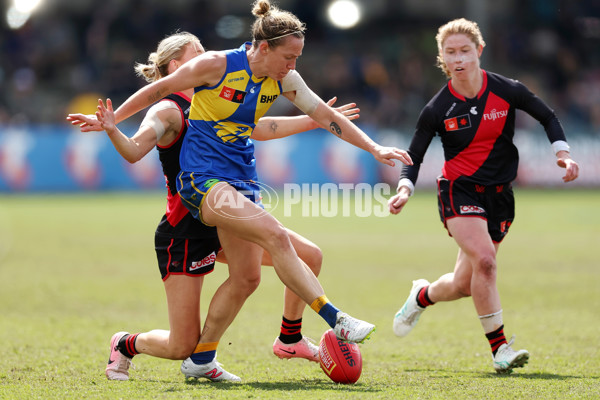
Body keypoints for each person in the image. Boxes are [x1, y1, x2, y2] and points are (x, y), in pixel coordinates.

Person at [67, 31, 362, 382]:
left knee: (304, 256)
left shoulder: (216, 99)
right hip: (186, 228)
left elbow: (258, 128)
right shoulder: (168, 109)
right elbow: (133, 151)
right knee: (181, 344)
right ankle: (126, 343)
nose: (208, 57)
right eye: (198, 53)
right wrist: (113, 129)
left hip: (226, 211)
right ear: (176, 66)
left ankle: (288, 338)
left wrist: (317, 118)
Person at [388, 18, 580, 374]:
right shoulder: (437, 108)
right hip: (458, 191)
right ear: (441, 58)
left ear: (479, 50)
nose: (458, 58)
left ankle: (421, 296)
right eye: (450, 53)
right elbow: (414, 155)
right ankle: (500, 349)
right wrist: (404, 187)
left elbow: (547, 116)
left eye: (464, 51)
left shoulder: (507, 90)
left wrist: (562, 153)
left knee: (465, 283)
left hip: (500, 197)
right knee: (487, 262)